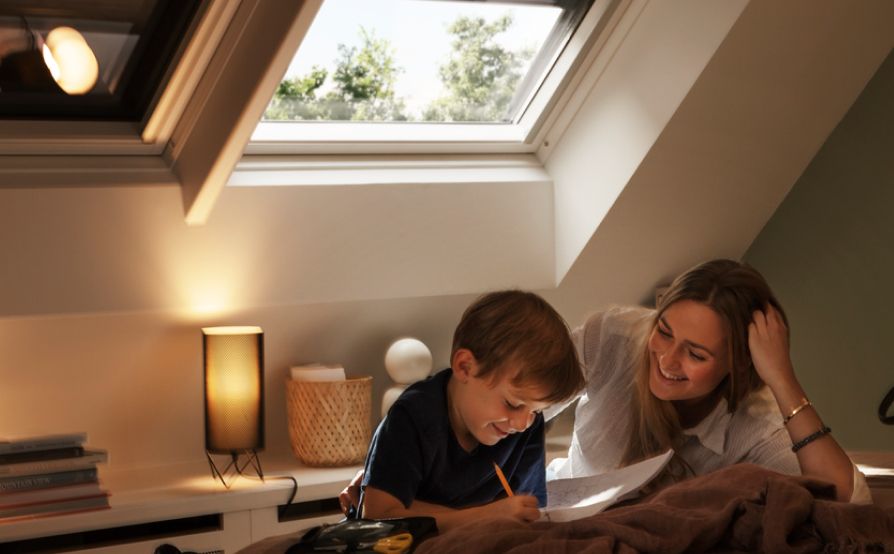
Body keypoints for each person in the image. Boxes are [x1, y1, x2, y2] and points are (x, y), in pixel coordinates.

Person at [547, 258, 870, 502]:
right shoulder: (609, 338)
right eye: (664, 331)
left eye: (696, 355)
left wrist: (782, 378)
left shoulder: (757, 427)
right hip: (563, 520)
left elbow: (846, 503)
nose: (667, 359)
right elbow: (515, 399)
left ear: (740, 364)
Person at [355, 290, 586, 532]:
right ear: (465, 367)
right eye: (513, 404)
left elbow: (525, 514)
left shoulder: (526, 427)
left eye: (537, 411)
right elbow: (378, 517)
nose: (521, 423)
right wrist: (486, 516)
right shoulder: (412, 418)